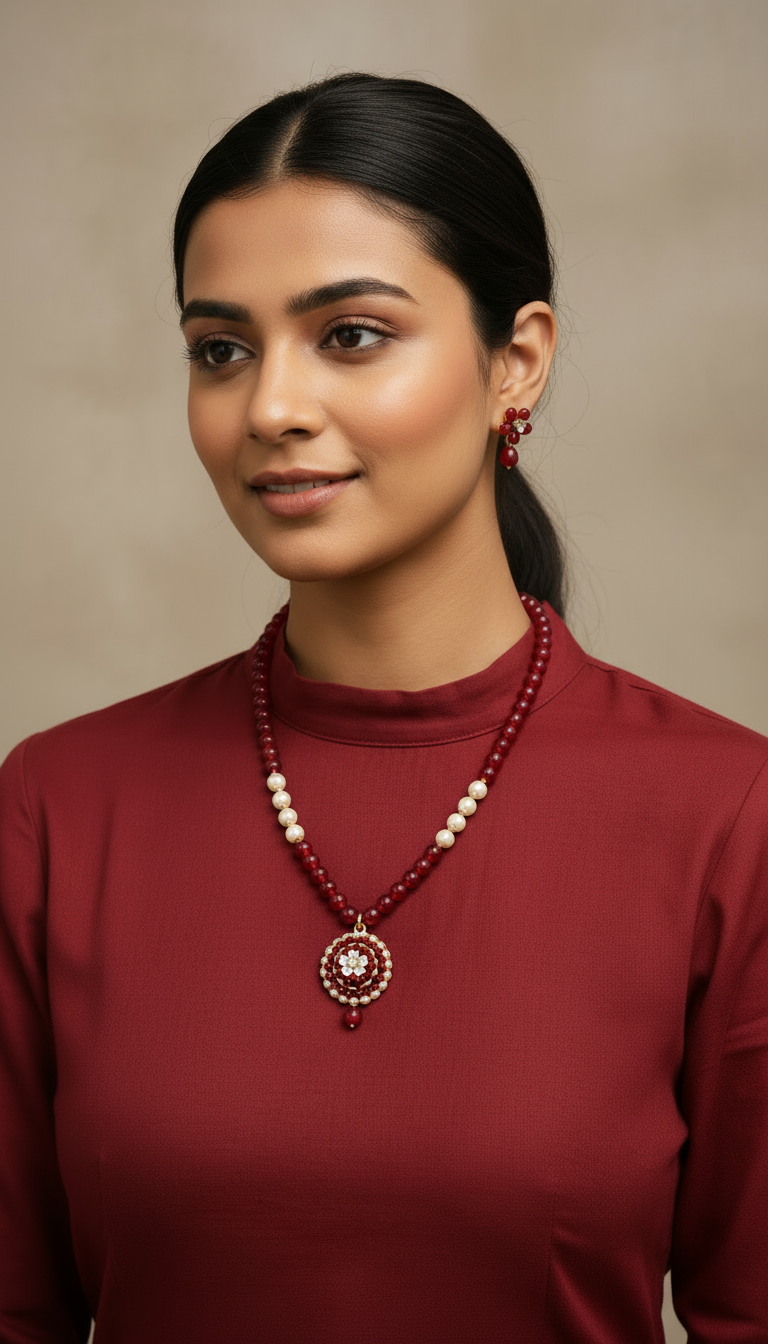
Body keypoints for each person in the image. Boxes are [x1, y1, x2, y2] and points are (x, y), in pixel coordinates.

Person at [0, 72, 765, 1344]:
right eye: (220, 350)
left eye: (350, 333)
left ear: (516, 360)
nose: (272, 408)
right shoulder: (59, 807)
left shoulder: (724, 815)